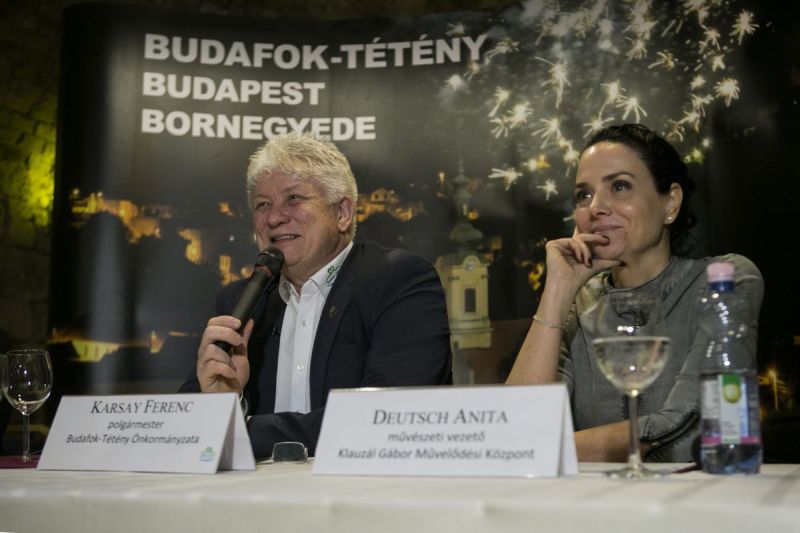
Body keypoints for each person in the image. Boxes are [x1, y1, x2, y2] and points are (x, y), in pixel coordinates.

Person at [180, 133, 452, 459]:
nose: (274, 217)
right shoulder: (240, 300)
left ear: (343, 213)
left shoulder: (399, 280)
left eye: (294, 198)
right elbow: (185, 431)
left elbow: (383, 416)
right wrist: (225, 403)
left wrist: (240, 430)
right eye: (263, 204)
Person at [506, 123, 763, 462]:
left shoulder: (723, 281)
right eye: (584, 195)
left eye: (620, 186)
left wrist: (543, 447)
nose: (596, 207)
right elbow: (515, 426)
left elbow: (692, 433)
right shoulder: (580, 303)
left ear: (670, 203)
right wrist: (558, 289)